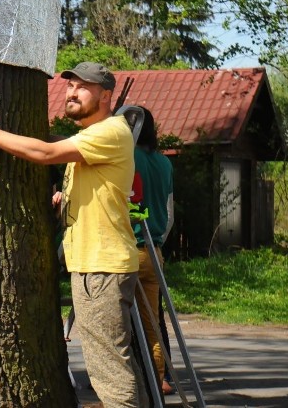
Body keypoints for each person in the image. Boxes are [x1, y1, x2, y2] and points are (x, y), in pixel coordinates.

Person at [0, 61, 148, 408]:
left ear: (105, 96)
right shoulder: (91, 138)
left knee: (107, 369)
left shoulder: (110, 131)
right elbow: (58, 148)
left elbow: (46, 152)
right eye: (70, 85)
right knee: (115, 363)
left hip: (101, 266)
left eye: (83, 87)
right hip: (97, 264)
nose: (72, 92)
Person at [131, 106, 175, 395]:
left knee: (116, 327)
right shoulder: (164, 163)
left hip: (128, 246)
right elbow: (170, 215)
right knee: (153, 327)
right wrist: (158, 241)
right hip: (154, 249)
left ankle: (129, 391)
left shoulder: (128, 156)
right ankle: (157, 384)